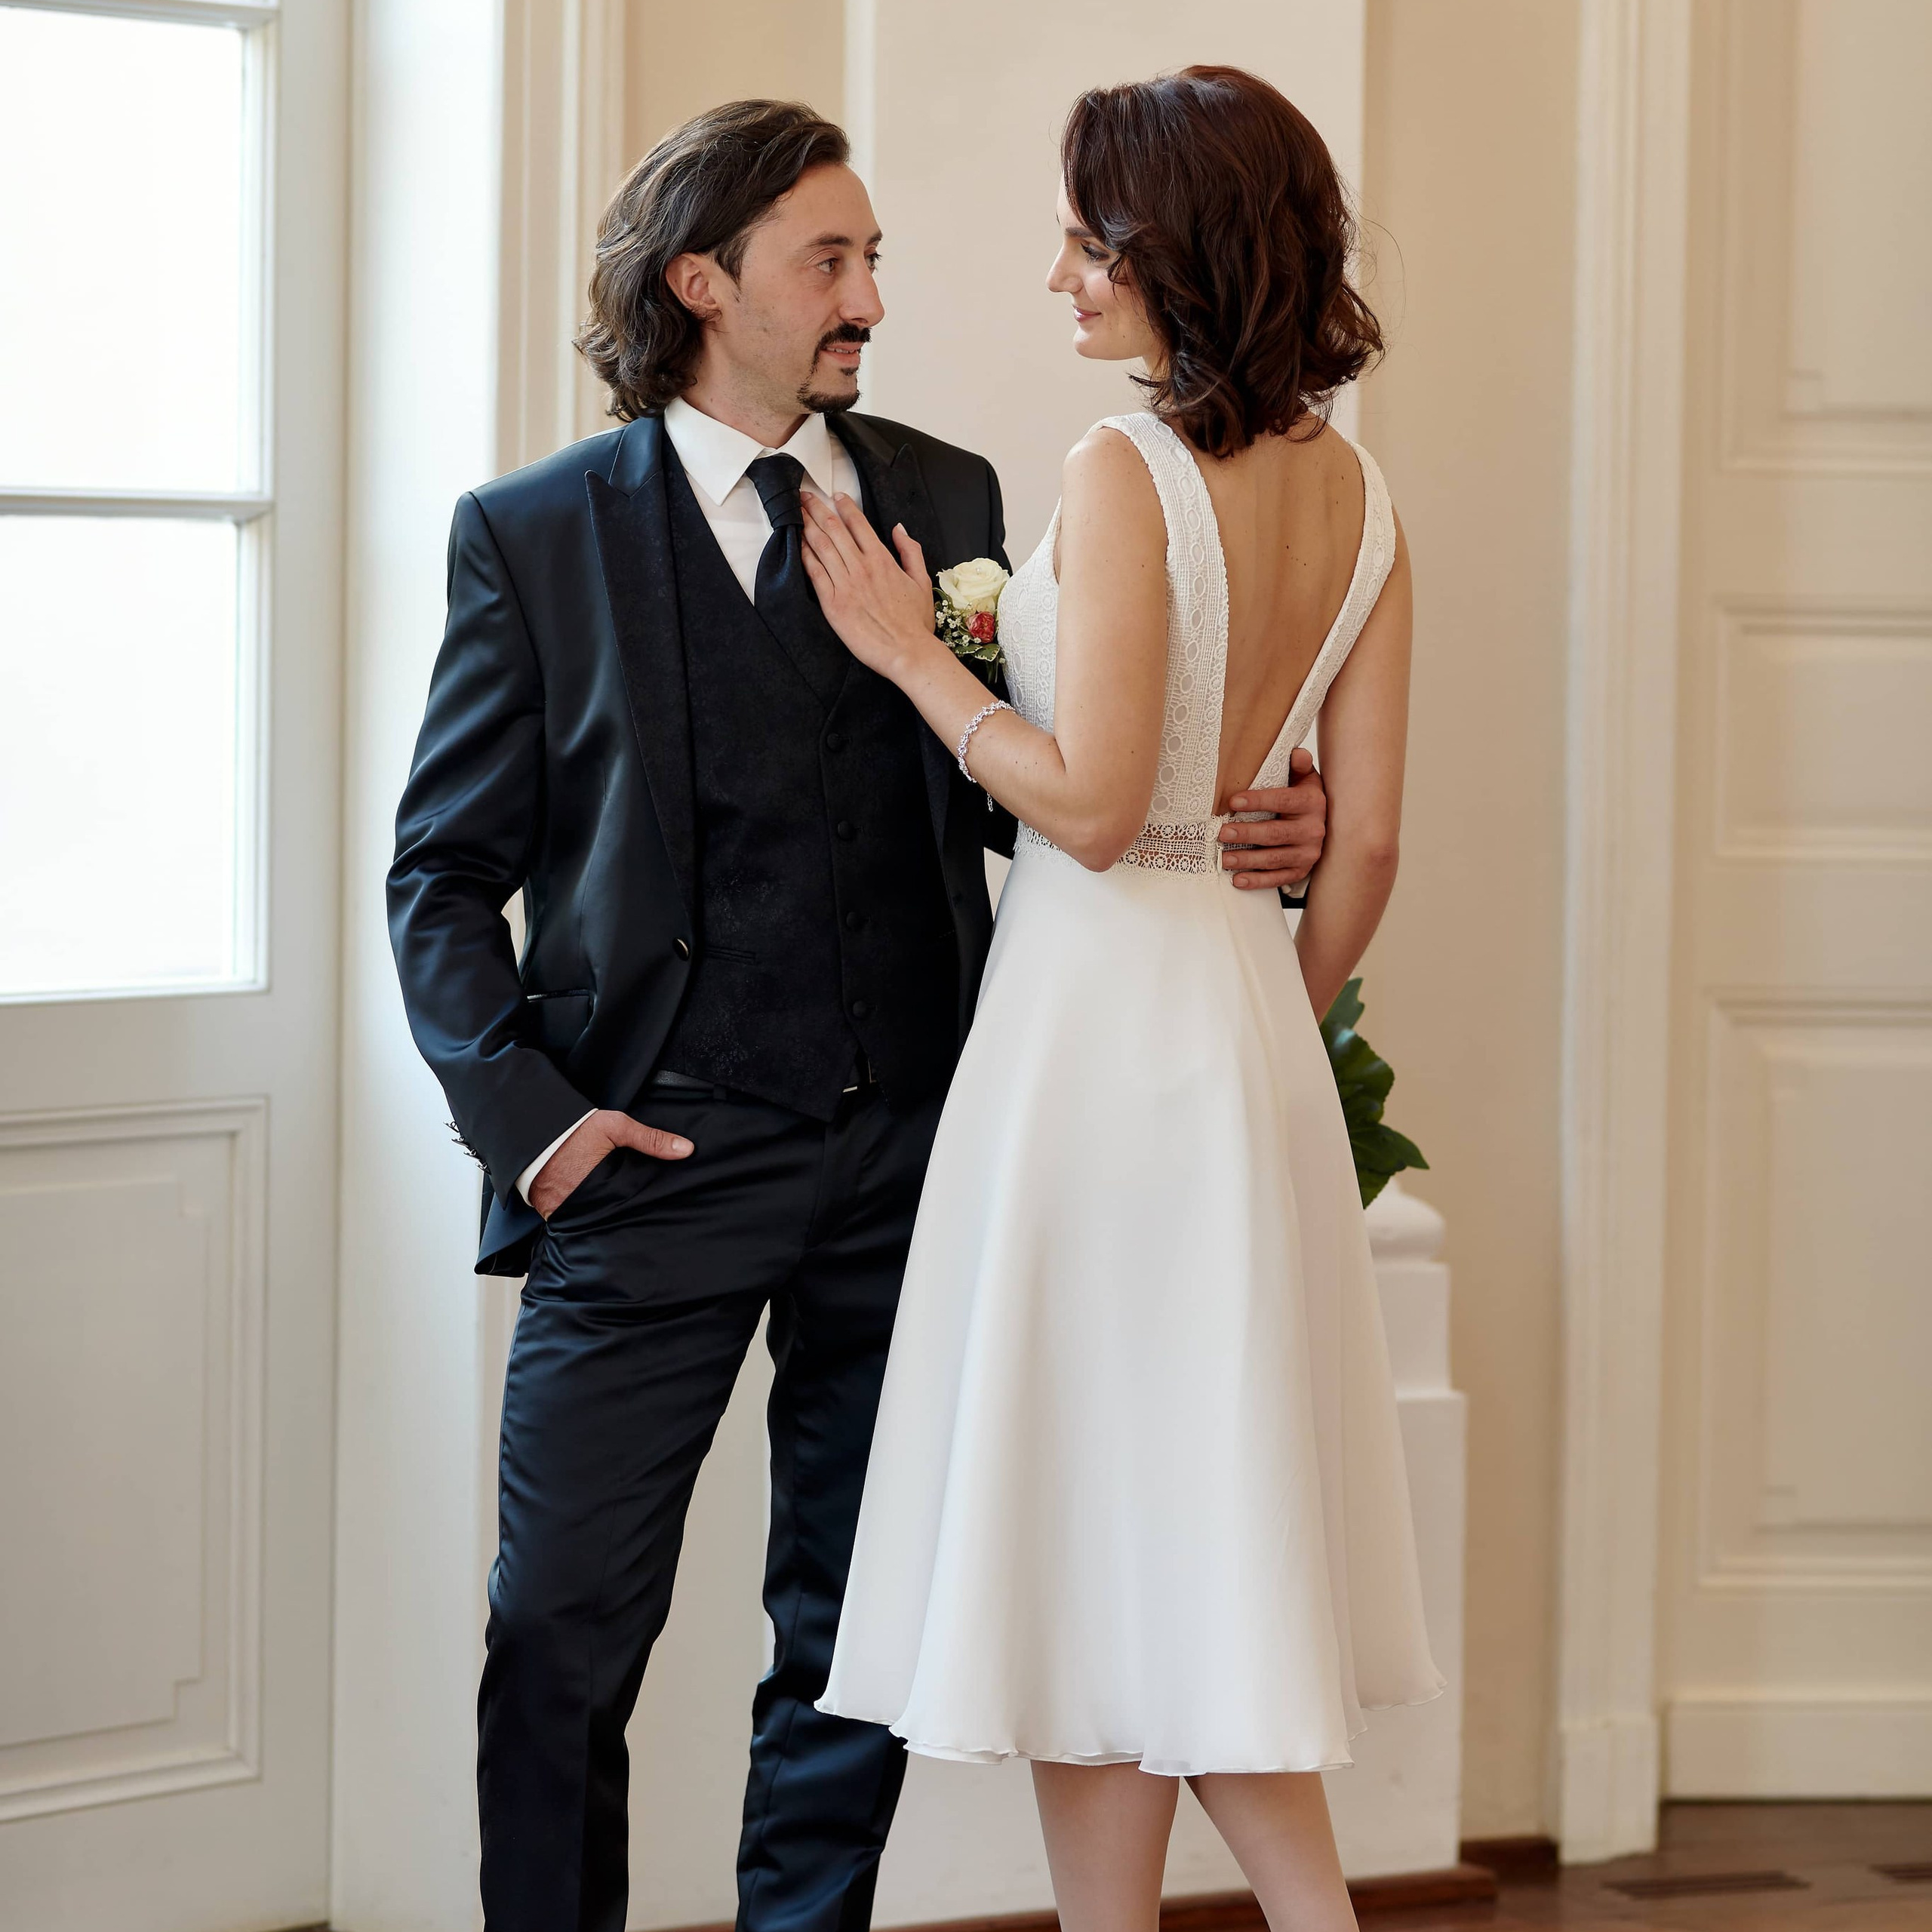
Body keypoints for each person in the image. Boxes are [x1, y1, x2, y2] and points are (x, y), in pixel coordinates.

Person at [386, 99, 1327, 1932]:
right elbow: (438, 875)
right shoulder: (533, 536)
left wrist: (1250, 826)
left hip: (913, 1154)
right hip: (644, 1161)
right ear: (697, 281)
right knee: (559, 1622)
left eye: (873, 255)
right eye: (830, 259)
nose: (871, 296)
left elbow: (1054, 795)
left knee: (847, 1637)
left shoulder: (952, 497)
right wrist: (537, 1118)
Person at [808, 67, 1441, 1930]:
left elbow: (1086, 806)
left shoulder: (1125, 467)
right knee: (1153, 1547)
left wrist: (917, 659)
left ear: (1179, 247)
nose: (1063, 276)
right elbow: (1373, 846)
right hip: (1236, 1037)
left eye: (1092, 239)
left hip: (1091, 1058)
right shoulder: (1366, 494)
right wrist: (1268, 1016)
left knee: (1100, 1531)